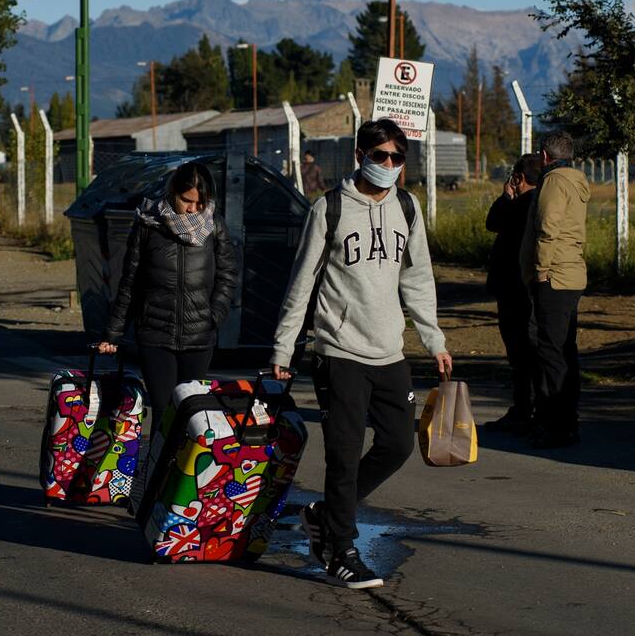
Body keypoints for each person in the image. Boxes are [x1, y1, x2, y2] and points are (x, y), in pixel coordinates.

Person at [271, 118, 452, 590]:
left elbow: (417, 279)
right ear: (360, 155)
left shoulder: (408, 209)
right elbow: (302, 282)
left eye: (396, 157)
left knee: (396, 445)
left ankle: (327, 514)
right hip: (339, 350)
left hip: (389, 352)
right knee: (345, 454)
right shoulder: (329, 208)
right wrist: (283, 349)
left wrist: (434, 340)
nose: (388, 165)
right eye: (380, 155)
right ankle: (340, 549)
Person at [97, 161, 237, 435]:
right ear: (174, 192)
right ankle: (157, 475)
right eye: (187, 200)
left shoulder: (215, 226)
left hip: (199, 337)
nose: (193, 209)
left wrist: (214, 314)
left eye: (200, 202)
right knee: (163, 411)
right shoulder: (149, 225)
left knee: (191, 412)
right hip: (155, 335)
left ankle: (184, 477)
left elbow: (228, 275)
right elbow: (130, 282)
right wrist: (112, 334)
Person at [519, 132, 589, 449]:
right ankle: (566, 420)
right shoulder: (575, 180)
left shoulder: (554, 182)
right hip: (571, 271)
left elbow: (548, 225)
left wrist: (541, 269)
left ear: (545, 156)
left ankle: (555, 423)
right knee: (564, 349)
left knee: (550, 351)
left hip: (555, 274)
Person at [483, 153, 543, 434]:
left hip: (514, 287)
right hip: (523, 285)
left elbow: (492, 222)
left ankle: (524, 408)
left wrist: (506, 196)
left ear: (518, 178)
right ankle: (527, 407)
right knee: (523, 350)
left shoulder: (520, 204)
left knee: (520, 351)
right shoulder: (540, 203)